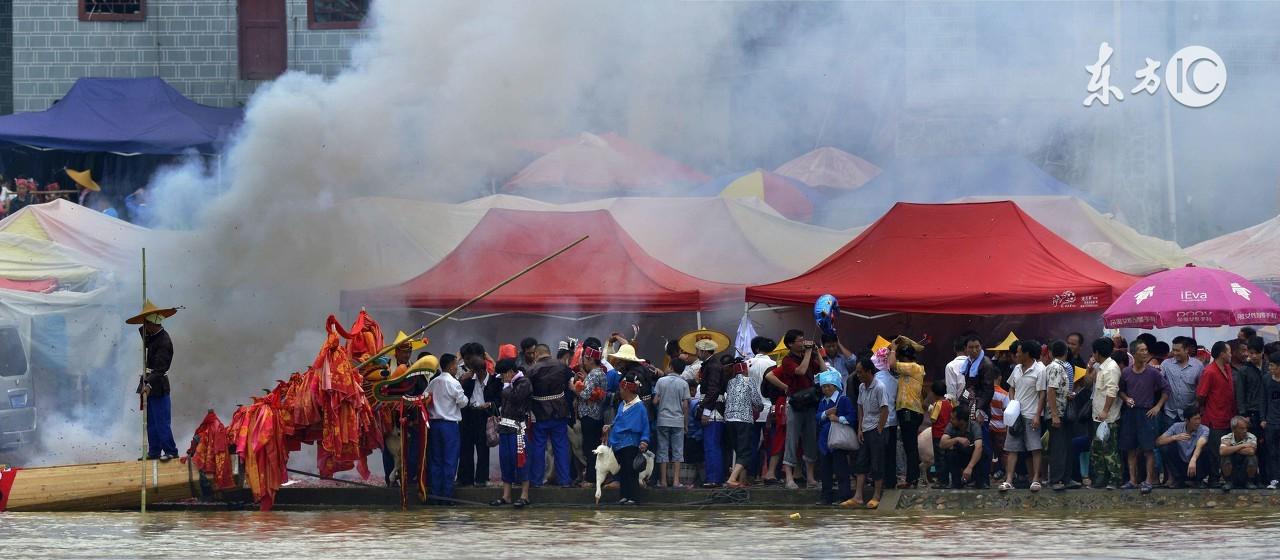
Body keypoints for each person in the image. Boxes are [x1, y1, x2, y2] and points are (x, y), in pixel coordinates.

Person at [765, 329, 825, 489]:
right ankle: (789, 477)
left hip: (810, 403)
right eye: (799, 340)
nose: (803, 342)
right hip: (795, 404)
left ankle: (810, 478)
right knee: (791, 439)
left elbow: (824, 370)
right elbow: (800, 371)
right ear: (791, 344)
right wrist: (807, 353)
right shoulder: (787, 360)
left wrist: (816, 353)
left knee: (810, 440)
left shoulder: (808, 356)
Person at [127, 300, 180, 461]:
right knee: (150, 422)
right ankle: (154, 451)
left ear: (153, 324)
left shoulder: (164, 341)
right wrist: (144, 320)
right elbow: (146, 338)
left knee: (162, 422)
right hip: (149, 382)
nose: (146, 327)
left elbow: (160, 369)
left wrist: (148, 384)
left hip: (158, 384)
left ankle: (171, 451)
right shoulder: (154, 336)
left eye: (148, 323)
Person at [1117, 339, 1169, 494]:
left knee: (1148, 449)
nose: (1145, 353)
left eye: (1146, 350)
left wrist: (1157, 407)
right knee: (1130, 449)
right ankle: (1132, 480)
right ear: (1134, 353)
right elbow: (1120, 390)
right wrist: (1126, 399)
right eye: (1142, 350)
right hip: (1130, 413)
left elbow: (1166, 390)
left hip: (1146, 413)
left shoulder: (1153, 372)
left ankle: (1148, 480)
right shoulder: (1126, 372)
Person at [1000, 339, 1045, 492]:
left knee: (1035, 448)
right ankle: (1009, 480)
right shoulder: (1017, 368)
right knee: (1012, 448)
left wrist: (1038, 415)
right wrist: (1013, 403)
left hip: (1031, 414)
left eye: (1019, 352)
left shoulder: (1040, 369)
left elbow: (1042, 395)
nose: (1017, 354)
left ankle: (1036, 480)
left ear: (1027, 353)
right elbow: (1011, 387)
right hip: (1016, 415)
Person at [526, 344, 575, 488]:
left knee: (538, 448)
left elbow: (527, 392)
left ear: (536, 354)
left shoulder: (531, 370)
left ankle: (536, 481)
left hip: (539, 413)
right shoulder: (562, 367)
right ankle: (565, 481)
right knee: (561, 447)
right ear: (549, 353)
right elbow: (570, 387)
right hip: (560, 412)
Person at [456, 343, 501, 488]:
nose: (468, 363)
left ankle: (481, 478)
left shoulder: (494, 379)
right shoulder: (464, 378)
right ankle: (465, 478)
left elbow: (499, 398)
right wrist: (462, 381)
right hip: (468, 415)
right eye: (466, 360)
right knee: (465, 448)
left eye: (471, 359)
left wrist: (490, 405)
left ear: (482, 357)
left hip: (485, 416)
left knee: (483, 448)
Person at [848, 355, 889, 509]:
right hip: (865, 428)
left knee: (877, 463)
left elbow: (884, 409)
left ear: (868, 372)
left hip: (876, 429)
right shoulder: (861, 387)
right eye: (857, 372)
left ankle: (877, 495)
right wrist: (859, 428)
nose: (858, 375)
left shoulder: (879, 387)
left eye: (860, 372)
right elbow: (860, 406)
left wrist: (879, 429)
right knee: (861, 462)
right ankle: (858, 496)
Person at [426, 353, 467, 504]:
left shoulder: (433, 382)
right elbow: (463, 403)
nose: (457, 368)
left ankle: (436, 495)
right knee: (450, 461)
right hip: (449, 426)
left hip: (434, 424)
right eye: (456, 365)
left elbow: (425, 398)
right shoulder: (454, 383)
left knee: (436, 460)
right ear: (450, 366)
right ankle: (447, 496)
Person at [607, 371, 651, 505]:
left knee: (631, 472)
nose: (619, 391)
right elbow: (617, 421)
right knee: (623, 471)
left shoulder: (640, 407)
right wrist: (609, 427)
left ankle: (633, 497)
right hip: (619, 444)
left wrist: (644, 440)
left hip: (631, 443)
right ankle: (624, 496)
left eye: (621, 388)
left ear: (627, 389)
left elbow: (645, 426)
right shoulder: (622, 405)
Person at [492, 359, 532, 507]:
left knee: (521, 461)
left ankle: (525, 495)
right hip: (505, 428)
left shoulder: (524, 382)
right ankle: (506, 495)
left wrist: (507, 384)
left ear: (509, 372)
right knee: (506, 461)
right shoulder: (506, 384)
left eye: (502, 375)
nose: (501, 379)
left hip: (518, 429)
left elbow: (515, 397)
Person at [887, 343, 926, 489]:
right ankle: (912, 478)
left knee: (910, 447)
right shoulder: (911, 369)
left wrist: (892, 349)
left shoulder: (913, 367)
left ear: (904, 358)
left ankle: (912, 479)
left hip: (909, 411)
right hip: (908, 411)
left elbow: (891, 365)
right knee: (910, 446)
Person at [1197, 341, 1236, 487]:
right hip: (1214, 418)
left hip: (1228, 416)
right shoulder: (1209, 371)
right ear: (1222, 354)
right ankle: (1213, 478)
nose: (1231, 354)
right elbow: (1201, 395)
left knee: (1226, 450)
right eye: (1229, 352)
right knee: (1214, 451)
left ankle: (1225, 477)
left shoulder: (1227, 368)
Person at [814, 370, 854, 505]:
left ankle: (844, 496)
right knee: (825, 471)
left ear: (835, 386)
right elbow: (817, 417)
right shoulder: (823, 402)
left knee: (841, 469)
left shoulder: (843, 400)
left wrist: (838, 419)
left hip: (837, 440)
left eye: (828, 386)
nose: (826, 389)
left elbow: (852, 417)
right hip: (824, 441)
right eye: (823, 387)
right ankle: (826, 497)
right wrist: (826, 413)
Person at [693, 338, 729, 488]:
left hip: (712, 410)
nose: (696, 353)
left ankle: (714, 478)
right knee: (712, 445)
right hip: (713, 408)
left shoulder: (712, 366)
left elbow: (713, 391)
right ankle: (714, 477)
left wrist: (706, 411)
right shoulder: (712, 365)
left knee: (711, 445)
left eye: (698, 350)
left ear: (704, 351)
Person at [575, 338, 610, 488]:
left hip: (589, 415)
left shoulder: (594, 374)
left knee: (590, 448)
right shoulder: (600, 373)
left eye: (584, 358)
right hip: (597, 415)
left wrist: (573, 388)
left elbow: (586, 394)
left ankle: (590, 479)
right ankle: (595, 478)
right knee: (595, 447)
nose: (583, 361)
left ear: (589, 359)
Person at [1043, 340, 1077, 491]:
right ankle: (1056, 479)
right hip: (1058, 413)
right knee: (1058, 447)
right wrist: (1055, 415)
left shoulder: (1058, 367)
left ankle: (1066, 478)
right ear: (1065, 352)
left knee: (1066, 446)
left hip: (1063, 412)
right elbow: (1050, 390)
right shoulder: (1056, 368)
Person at [725, 357, 763, 489]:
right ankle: (732, 479)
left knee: (738, 450)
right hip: (743, 420)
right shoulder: (749, 381)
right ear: (746, 371)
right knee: (745, 452)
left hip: (729, 419)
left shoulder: (730, 383)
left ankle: (742, 480)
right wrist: (760, 408)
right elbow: (757, 402)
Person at [1090, 338, 1122, 490]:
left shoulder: (1111, 368)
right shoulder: (1101, 367)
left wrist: (1105, 411)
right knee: (1098, 449)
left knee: (1109, 449)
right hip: (1098, 416)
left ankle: (1115, 479)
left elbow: (1112, 390)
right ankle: (1101, 478)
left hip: (1108, 418)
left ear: (1097, 352)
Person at [653, 355, 690, 488]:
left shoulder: (661, 381)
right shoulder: (684, 384)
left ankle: (663, 481)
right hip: (678, 421)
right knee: (678, 451)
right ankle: (675, 481)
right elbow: (685, 406)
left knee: (662, 450)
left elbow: (655, 401)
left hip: (662, 420)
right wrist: (686, 424)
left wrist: (662, 402)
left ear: (671, 367)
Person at [747, 336, 779, 484]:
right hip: (769, 409)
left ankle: (751, 475)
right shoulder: (775, 364)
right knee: (772, 442)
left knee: (752, 444)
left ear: (756, 349)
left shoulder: (747, 364)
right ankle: (771, 474)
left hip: (751, 410)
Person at [1156, 405, 1211, 489]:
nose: (1198, 422)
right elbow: (1158, 441)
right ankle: (1178, 479)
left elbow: (1201, 443)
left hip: (1195, 464)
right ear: (1187, 420)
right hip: (1181, 464)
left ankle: (1198, 480)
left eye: (1199, 418)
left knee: (1205, 449)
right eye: (1195, 419)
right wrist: (1174, 437)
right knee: (1165, 447)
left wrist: (1193, 459)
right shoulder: (1176, 426)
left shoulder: (1204, 429)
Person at [941, 405, 989, 489]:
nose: (950, 420)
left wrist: (969, 467)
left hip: (972, 457)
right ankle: (956, 482)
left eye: (953, 419)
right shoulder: (951, 426)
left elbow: (978, 447)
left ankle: (981, 481)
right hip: (959, 455)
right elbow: (942, 443)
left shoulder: (975, 426)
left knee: (984, 452)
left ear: (961, 421)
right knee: (949, 453)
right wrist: (957, 439)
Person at [1236, 337, 1265, 446]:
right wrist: (1243, 414)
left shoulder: (1269, 367)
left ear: (1262, 351)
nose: (1253, 356)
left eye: (1257, 353)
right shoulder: (1244, 370)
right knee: (1253, 445)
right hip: (1251, 412)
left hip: (1268, 412)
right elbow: (1240, 394)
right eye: (1251, 353)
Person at [1219, 415, 1260, 490]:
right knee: (1225, 457)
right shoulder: (1226, 437)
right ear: (1234, 429)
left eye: (1246, 428)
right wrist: (1243, 445)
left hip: (1244, 471)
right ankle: (1229, 482)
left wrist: (1231, 447)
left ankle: (1249, 482)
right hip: (1232, 470)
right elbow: (1222, 452)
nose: (1245, 431)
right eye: (1241, 428)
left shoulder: (1251, 437)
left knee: (1252, 458)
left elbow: (1251, 451)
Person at [926, 380, 953, 488]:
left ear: (934, 393)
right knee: (946, 457)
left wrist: (930, 409)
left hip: (938, 435)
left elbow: (933, 419)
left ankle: (942, 481)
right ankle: (947, 479)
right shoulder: (949, 403)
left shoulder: (937, 404)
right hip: (947, 434)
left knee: (939, 459)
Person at [1262, 354, 1280, 488]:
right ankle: (1273, 479)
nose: (1270, 368)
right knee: (1271, 452)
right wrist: (1263, 418)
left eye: (1272, 365)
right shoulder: (1267, 379)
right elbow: (1262, 400)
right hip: (1271, 422)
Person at [944, 337, 968, 402]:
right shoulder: (974, 364)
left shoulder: (950, 366)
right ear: (967, 348)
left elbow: (951, 393)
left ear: (954, 349)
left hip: (959, 407)